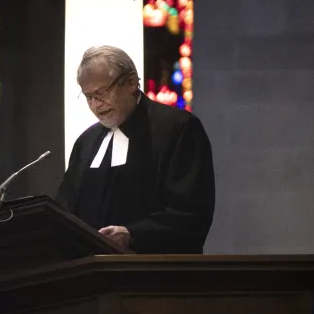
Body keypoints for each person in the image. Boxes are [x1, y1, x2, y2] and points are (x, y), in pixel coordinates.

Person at [57, 45, 215, 253]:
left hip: (155, 274)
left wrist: (134, 234)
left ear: (131, 82)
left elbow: (192, 213)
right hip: (89, 275)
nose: (96, 105)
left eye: (102, 93)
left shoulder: (179, 129)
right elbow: (65, 212)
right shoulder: (86, 142)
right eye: (88, 97)